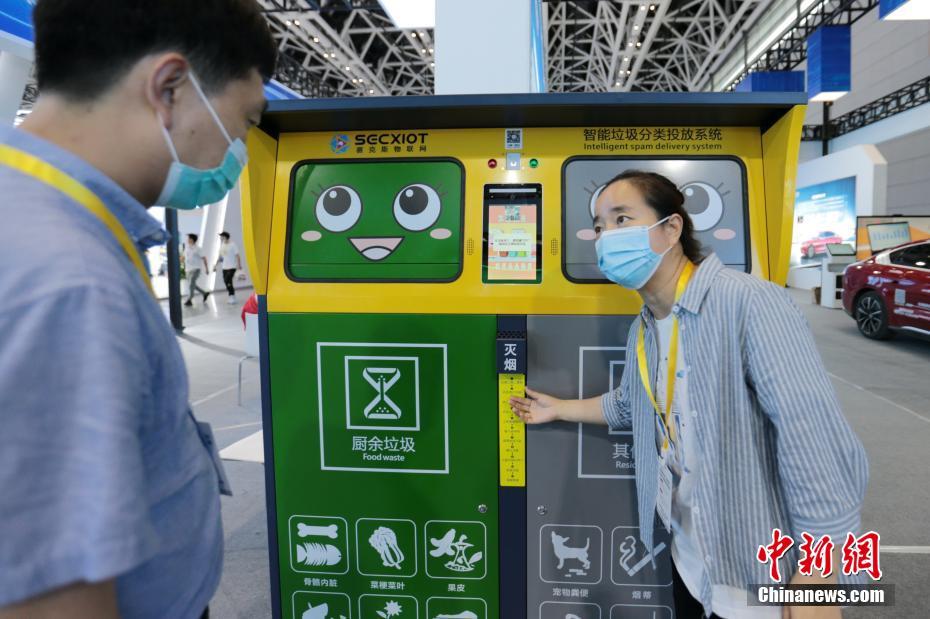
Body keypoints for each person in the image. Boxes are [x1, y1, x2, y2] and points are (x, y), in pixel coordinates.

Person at [0, 1, 275, 618]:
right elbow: (52, 602)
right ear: (169, 88)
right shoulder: (68, 281)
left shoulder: (39, 217)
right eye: (244, 121)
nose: (238, 149)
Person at [510, 170, 868, 619]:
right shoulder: (645, 328)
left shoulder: (748, 303)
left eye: (622, 220)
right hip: (693, 562)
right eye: (599, 227)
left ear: (671, 228)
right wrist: (559, 408)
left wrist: (819, 576)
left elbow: (815, 439)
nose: (606, 238)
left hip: (762, 577)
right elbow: (632, 406)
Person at [214, 230, 242, 303]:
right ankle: (231, 295)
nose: (221, 238)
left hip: (232, 267)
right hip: (224, 267)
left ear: (225, 237)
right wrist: (215, 266)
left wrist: (239, 265)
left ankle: (232, 296)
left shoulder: (233, 245)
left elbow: (237, 255)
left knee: (228, 280)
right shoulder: (222, 245)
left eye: (222, 237)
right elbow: (220, 257)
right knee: (226, 281)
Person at [184, 233, 210, 306]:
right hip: (188, 270)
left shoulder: (198, 249)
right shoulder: (187, 248)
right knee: (192, 285)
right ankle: (204, 293)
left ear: (192, 240)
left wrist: (207, 269)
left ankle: (189, 299)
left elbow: (204, 258)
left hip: (196, 269)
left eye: (189, 238)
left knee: (191, 284)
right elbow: (185, 258)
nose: (187, 240)